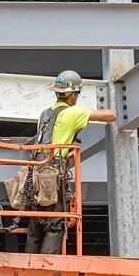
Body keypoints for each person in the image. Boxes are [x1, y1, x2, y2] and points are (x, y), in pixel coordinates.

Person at [25, 70, 117, 254]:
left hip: (36, 173)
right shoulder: (73, 113)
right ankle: (46, 270)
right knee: (56, 223)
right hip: (53, 173)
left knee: (36, 221)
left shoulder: (44, 114)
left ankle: (30, 266)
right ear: (74, 95)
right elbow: (111, 116)